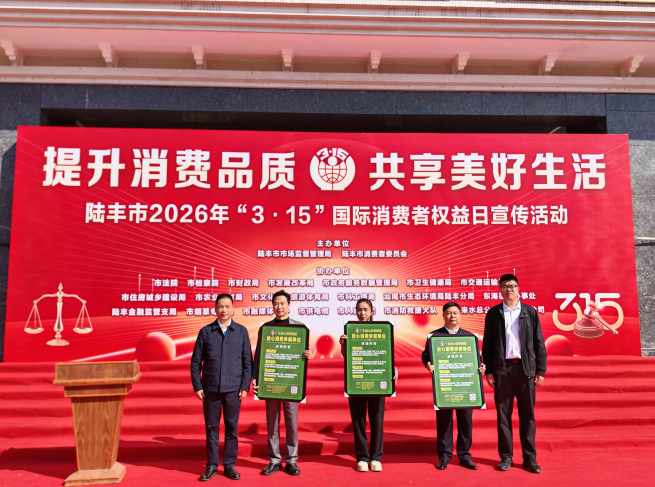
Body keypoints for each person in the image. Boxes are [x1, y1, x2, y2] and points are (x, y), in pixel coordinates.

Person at [482, 274, 547, 474]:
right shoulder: (494, 313)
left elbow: (538, 342)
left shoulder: (529, 312)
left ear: (518, 289)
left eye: (512, 286)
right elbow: (487, 344)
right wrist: (489, 370)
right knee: (503, 416)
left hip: (525, 370)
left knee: (528, 415)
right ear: (500, 290)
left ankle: (529, 458)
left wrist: (540, 370)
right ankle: (506, 457)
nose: (508, 289)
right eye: (504, 286)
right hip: (502, 370)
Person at [191, 294, 252, 481]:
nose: (224, 310)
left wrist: (245, 386)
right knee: (211, 427)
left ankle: (229, 465)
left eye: (227, 306)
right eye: (220, 306)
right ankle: (211, 465)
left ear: (233, 309)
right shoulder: (206, 332)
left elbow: (247, 362)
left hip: (233, 389)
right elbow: (195, 362)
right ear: (215, 309)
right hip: (210, 389)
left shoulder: (241, 331)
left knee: (232, 427)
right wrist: (197, 386)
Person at [253, 290, 312, 476]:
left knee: (291, 423)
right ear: (272, 306)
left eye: (282, 303)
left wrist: (308, 354)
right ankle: (275, 460)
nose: (279, 307)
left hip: (290, 382)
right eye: (276, 304)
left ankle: (291, 460)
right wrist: (255, 379)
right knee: (272, 423)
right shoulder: (266, 328)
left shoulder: (300, 328)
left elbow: (302, 355)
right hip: (270, 381)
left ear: (289, 305)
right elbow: (259, 356)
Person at [421, 302, 486, 471]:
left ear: (460, 315)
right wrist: (428, 363)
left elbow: (477, 359)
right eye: (448, 313)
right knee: (444, 422)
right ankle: (444, 456)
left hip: (466, 384)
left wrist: (481, 366)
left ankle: (464, 456)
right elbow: (426, 354)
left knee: (466, 421)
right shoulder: (434, 336)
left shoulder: (469, 337)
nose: (452, 316)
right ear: (443, 316)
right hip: (445, 384)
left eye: (455, 313)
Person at [338, 298, 398, 473]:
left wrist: (393, 370)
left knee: (377, 420)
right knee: (358, 420)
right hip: (357, 380)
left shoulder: (382, 330)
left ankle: (376, 458)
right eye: (359, 310)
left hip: (377, 380)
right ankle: (362, 458)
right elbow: (346, 357)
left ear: (372, 311)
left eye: (365, 310)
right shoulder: (351, 331)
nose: (362, 313)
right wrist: (343, 345)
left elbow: (386, 353)